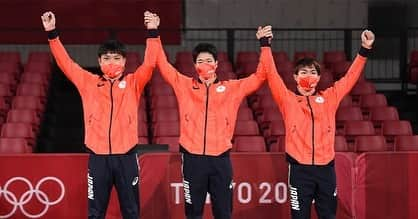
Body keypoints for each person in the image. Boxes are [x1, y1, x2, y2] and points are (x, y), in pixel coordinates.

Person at [146, 12, 273, 219]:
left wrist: (265, 45)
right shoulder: (184, 85)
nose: (205, 64)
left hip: (220, 160)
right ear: (195, 66)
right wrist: (153, 32)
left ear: (216, 64)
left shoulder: (231, 88)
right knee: (193, 213)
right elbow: (161, 63)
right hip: (192, 159)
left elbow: (260, 76)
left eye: (208, 60)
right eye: (200, 61)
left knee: (223, 213)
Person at [41, 11, 160, 219]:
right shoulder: (88, 83)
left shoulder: (134, 83)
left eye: (116, 58)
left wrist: (153, 32)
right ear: (99, 61)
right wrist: (52, 33)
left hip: (127, 157)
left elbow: (150, 63)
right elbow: (65, 63)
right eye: (106, 58)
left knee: (131, 212)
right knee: (95, 213)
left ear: (124, 61)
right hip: (98, 158)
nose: (111, 62)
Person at [264, 28, 375, 219]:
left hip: (326, 170)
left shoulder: (330, 97)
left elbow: (349, 78)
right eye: (304, 72)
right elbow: (272, 74)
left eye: (313, 72)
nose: (309, 76)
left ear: (319, 78)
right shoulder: (287, 100)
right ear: (295, 77)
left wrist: (364, 50)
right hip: (300, 171)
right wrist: (265, 46)